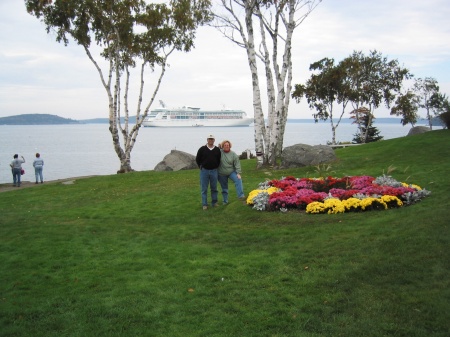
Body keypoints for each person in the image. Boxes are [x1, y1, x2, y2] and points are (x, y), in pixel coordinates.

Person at [196, 134, 221, 210]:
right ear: (207, 140)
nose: (211, 140)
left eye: (212, 139)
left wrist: (216, 166)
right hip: (204, 171)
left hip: (214, 171)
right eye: (209, 139)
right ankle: (204, 204)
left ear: (214, 140)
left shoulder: (217, 149)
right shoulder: (202, 149)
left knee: (214, 188)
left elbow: (219, 159)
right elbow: (198, 159)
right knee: (204, 189)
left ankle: (214, 202)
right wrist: (200, 166)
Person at [218, 140, 245, 204]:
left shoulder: (233, 154)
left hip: (231, 172)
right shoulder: (220, 152)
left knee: (238, 179)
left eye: (227, 145)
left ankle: (241, 196)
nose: (226, 146)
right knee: (224, 188)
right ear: (223, 146)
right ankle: (225, 201)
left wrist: (238, 173)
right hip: (221, 173)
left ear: (230, 146)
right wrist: (218, 147)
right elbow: (213, 151)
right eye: (225, 145)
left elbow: (237, 164)